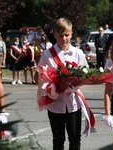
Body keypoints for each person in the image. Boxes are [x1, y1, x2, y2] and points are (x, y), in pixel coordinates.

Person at [34, 18, 95, 150]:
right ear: (54, 34)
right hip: (55, 104)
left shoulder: (78, 53)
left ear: (71, 34)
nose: (64, 38)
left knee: (74, 139)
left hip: (73, 103)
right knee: (58, 139)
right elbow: (37, 76)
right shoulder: (47, 54)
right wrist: (51, 83)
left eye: (66, 35)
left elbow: (85, 74)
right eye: (60, 35)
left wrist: (77, 81)